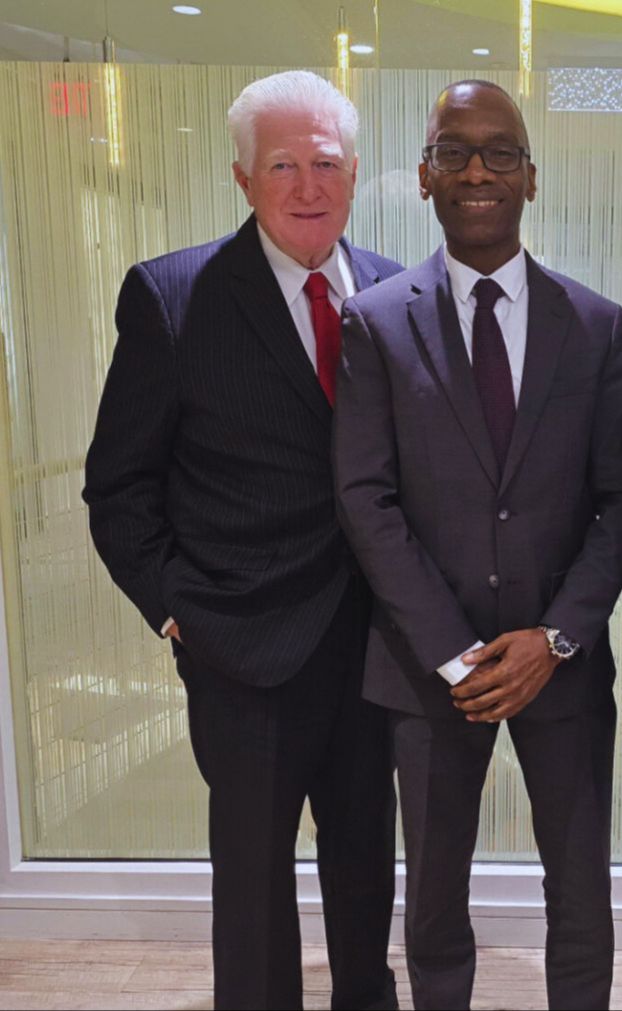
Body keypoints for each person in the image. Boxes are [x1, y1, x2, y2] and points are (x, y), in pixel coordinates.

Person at [83, 70, 402, 1011]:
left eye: (326, 164)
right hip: (242, 648)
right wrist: (177, 612)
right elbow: (118, 486)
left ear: (354, 174)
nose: (308, 185)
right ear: (242, 179)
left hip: (375, 650)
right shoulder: (174, 296)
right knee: (254, 897)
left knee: (365, 877)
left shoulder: (393, 293)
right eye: (283, 165)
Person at [333, 80, 622, 1011]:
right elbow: (365, 498)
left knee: (580, 894)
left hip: (562, 665)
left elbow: (618, 504)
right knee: (432, 898)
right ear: (423, 176)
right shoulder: (376, 323)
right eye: (454, 152)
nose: (477, 170)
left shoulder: (593, 325)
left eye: (499, 152)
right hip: (429, 673)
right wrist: (455, 650)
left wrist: (553, 639)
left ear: (530, 178)